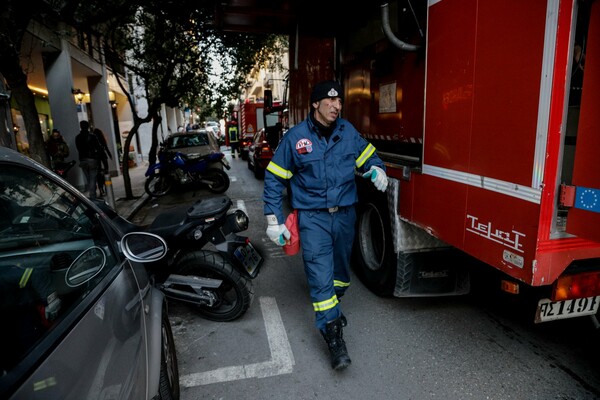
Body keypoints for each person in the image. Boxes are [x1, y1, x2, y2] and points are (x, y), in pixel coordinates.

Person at [262, 80, 388, 370]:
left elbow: (370, 158)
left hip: (345, 215)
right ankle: (334, 337)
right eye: (330, 101)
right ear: (315, 104)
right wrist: (273, 220)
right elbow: (273, 179)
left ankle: (334, 304)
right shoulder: (296, 138)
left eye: (340, 101)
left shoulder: (348, 132)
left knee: (341, 275)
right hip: (313, 218)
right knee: (320, 277)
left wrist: (377, 170)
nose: (337, 106)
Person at [75, 120, 103, 199]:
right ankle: (93, 195)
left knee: (88, 178)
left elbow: (78, 148)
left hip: (83, 160)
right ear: (87, 127)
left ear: (80, 126)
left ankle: (92, 193)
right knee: (93, 178)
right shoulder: (92, 136)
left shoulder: (78, 137)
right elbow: (98, 147)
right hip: (91, 159)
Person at [93, 128, 112, 196]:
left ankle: (101, 189)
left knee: (98, 174)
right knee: (106, 172)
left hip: (97, 157)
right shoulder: (102, 139)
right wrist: (110, 155)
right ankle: (107, 188)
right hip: (103, 156)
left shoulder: (93, 139)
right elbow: (106, 148)